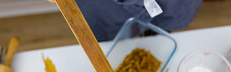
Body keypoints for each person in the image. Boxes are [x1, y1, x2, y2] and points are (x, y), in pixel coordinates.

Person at [49, 0, 202, 41]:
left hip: (169, 4)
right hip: (104, 8)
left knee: (162, 26)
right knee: (112, 37)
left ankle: (156, 34)